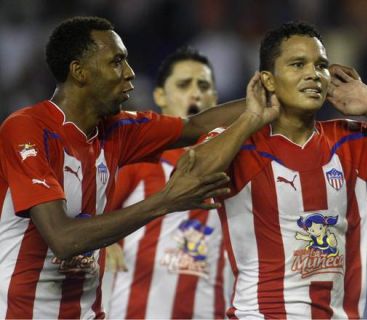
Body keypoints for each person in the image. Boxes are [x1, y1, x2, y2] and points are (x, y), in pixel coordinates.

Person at [0, 16, 278, 319]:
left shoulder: (118, 130)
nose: (130, 73)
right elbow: (64, 239)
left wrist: (282, 98)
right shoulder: (27, 129)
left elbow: (195, 125)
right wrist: (166, 201)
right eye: (116, 62)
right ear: (79, 72)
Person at [201, 22, 367, 319]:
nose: (313, 74)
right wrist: (249, 118)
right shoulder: (241, 145)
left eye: (321, 65)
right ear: (268, 80)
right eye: (297, 64)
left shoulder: (349, 140)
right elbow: (188, 177)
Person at [106, 47, 228, 319]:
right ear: (160, 95)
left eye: (204, 85)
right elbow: (87, 221)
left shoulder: (234, 166)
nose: (195, 93)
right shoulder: (139, 160)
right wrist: (105, 244)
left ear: (216, 100)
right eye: (184, 84)